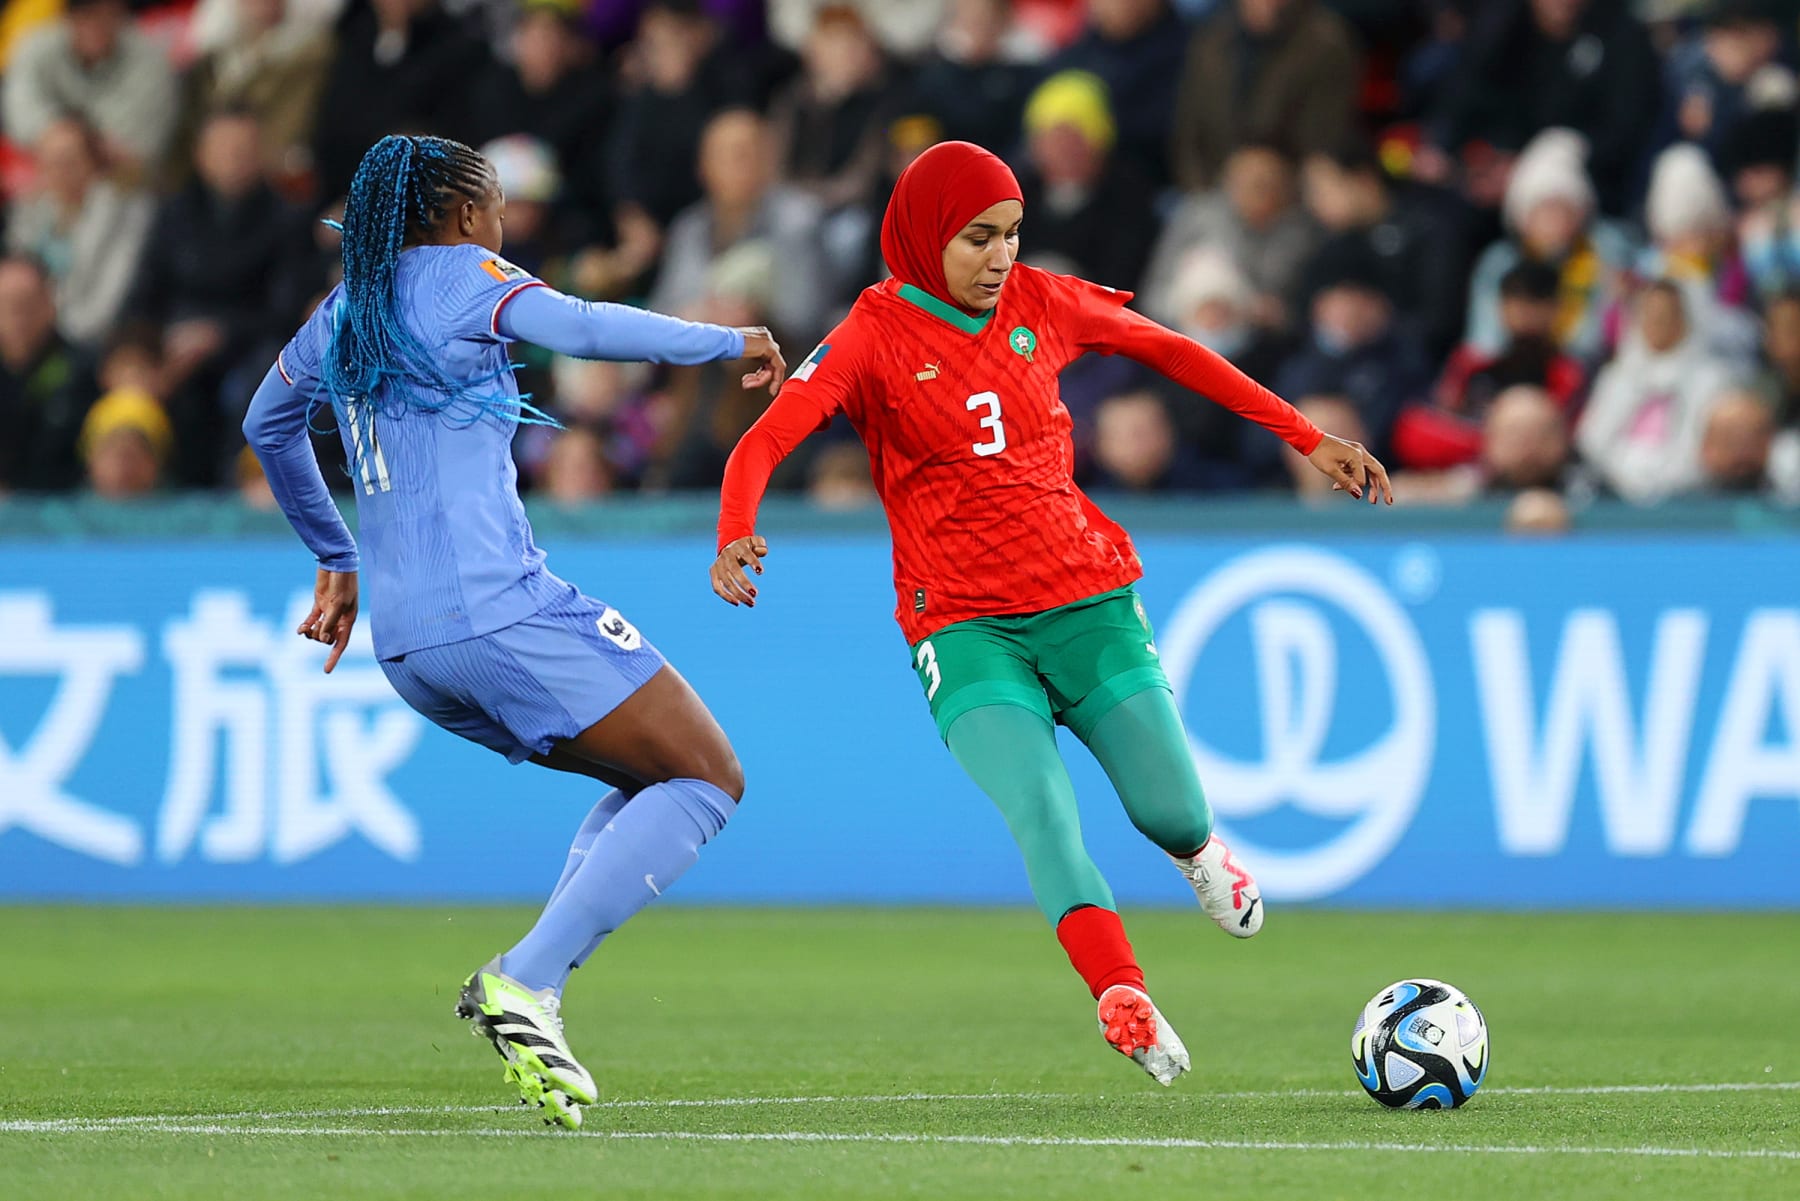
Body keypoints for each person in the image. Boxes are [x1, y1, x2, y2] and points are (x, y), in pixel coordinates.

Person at [709, 140, 1390, 1086]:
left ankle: (1198, 855)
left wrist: (1308, 437)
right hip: (962, 628)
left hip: (1087, 602)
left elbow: (1176, 350)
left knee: (1171, 809)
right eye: (979, 238)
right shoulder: (870, 335)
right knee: (1042, 813)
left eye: (1013, 234)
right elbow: (766, 437)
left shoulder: (1041, 300)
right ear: (920, 237)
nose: (1000, 257)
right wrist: (735, 528)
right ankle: (1121, 992)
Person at [242, 134, 785, 1130]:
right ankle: (526, 980)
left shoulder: (346, 307)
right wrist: (725, 340)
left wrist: (337, 556)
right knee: (709, 777)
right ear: (460, 214)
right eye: (490, 206)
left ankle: (532, 983)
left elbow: (266, 423)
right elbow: (579, 325)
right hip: (502, 611)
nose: (498, 226)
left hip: (408, 646)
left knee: (651, 776)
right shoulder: (464, 276)